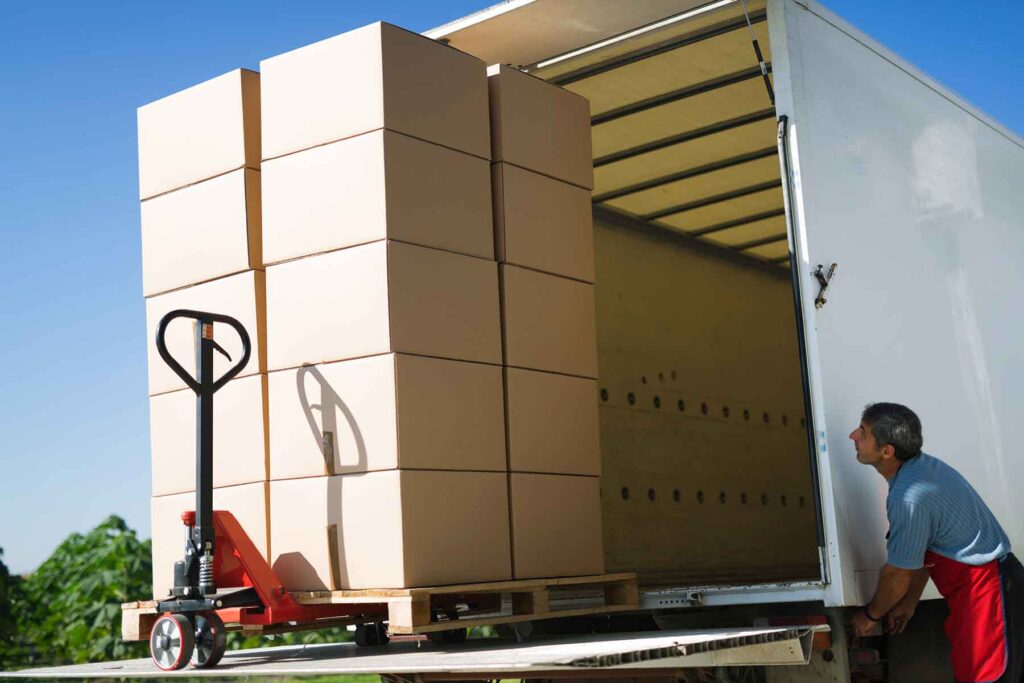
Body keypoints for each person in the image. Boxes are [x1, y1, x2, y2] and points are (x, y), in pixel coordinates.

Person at [848, 402, 1024, 682]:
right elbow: (924, 551)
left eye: (863, 431)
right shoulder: (922, 469)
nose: (853, 436)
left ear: (887, 451)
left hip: (986, 592)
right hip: (988, 587)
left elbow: (897, 574)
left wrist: (870, 615)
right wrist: (910, 601)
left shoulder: (909, 496)